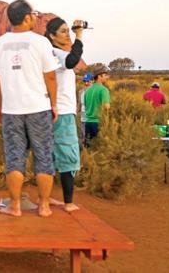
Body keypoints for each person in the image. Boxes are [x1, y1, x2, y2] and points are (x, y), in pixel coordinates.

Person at [0, 0, 60, 217]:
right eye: (33, 14)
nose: (35, 17)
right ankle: (44, 206)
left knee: (15, 157)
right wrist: (53, 104)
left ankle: (15, 206)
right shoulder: (40, 43)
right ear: (26, 17)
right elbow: (51, 76)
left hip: (11, 110)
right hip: (39, 108)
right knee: (44, 155)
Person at [45, 17, 86, 212]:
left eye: (67, 30)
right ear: (52, 36)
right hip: (62, 113)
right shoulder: (56, 53)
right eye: (62, 31)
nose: (67, 34)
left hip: (55, 111)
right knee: (68, 154)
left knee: (51, 156)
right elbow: (71, 61)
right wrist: (79, 37)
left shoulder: (52, 53)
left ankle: (47, 198)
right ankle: (68, 203)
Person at [83, 67, 111, 147]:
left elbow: (85, 105)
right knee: (100, 148)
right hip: (98, 123)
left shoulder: (87, 90)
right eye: (105, 75)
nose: (107, 77)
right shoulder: (103, 90)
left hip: (87, 122)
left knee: (88, 148)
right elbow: (106, 107)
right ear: (99, 76)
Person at [79, 73, 94, 143]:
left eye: (88, 81)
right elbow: (79, 104)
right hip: (83, 116)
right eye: (84, 81)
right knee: (83, 134)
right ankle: (84, 149)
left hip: (92, 116)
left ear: (92, 81)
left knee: (91, 135)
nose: (86, 83)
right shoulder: (81, 91)